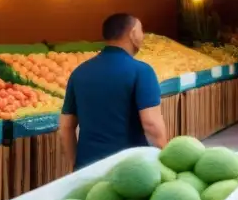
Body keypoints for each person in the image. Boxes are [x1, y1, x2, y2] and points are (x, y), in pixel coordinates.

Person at [59, 13, 167, 170]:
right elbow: (151, 124)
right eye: (141, 30)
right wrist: (166, 160)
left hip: (88, 166)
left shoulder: (79, 72)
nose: (143, 36)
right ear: (132, 33)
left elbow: (66, 127)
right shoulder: (141, 71)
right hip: (128, 169)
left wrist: (76, 166)